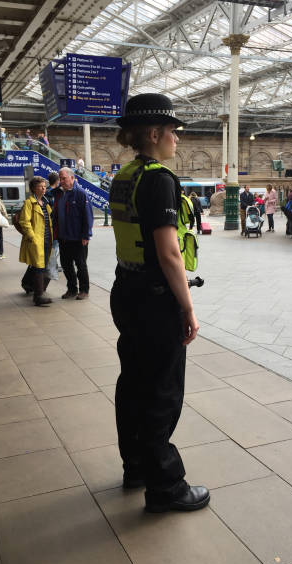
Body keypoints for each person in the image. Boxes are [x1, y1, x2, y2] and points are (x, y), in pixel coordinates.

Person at [109, 92, 209, 513]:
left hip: (125, 290)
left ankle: (136, 465)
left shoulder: (125, 175)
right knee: (161, 392)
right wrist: (187, 307)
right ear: (154, 133)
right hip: (154, 298)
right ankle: (165, 486)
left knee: (133, 382)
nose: (177, 140)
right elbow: (169, 253)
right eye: (173, 131)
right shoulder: (159, 179)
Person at [55, 167, 93, 300]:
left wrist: (86, 235)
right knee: (66, 265)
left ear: (72, 178)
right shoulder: (60, 194)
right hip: (63, 237)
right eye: (60, 178)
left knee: (81, 265)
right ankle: (72, 289)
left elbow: (88, 216)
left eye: (64, 178)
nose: (61, 181)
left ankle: (84, 290)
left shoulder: (81, 193)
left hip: (78, 238)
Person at [18, 176, 53, 306]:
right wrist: (32, 237)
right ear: (34, 188)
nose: (43, 189)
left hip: (47, 239)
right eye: (40, 186)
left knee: (43, 266)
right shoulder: (29, 203)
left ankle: (31, 287)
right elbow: (24, 221)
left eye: (44, 186)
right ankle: (38, 296)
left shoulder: (45, 202)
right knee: (39, 266)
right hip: (37, 240)